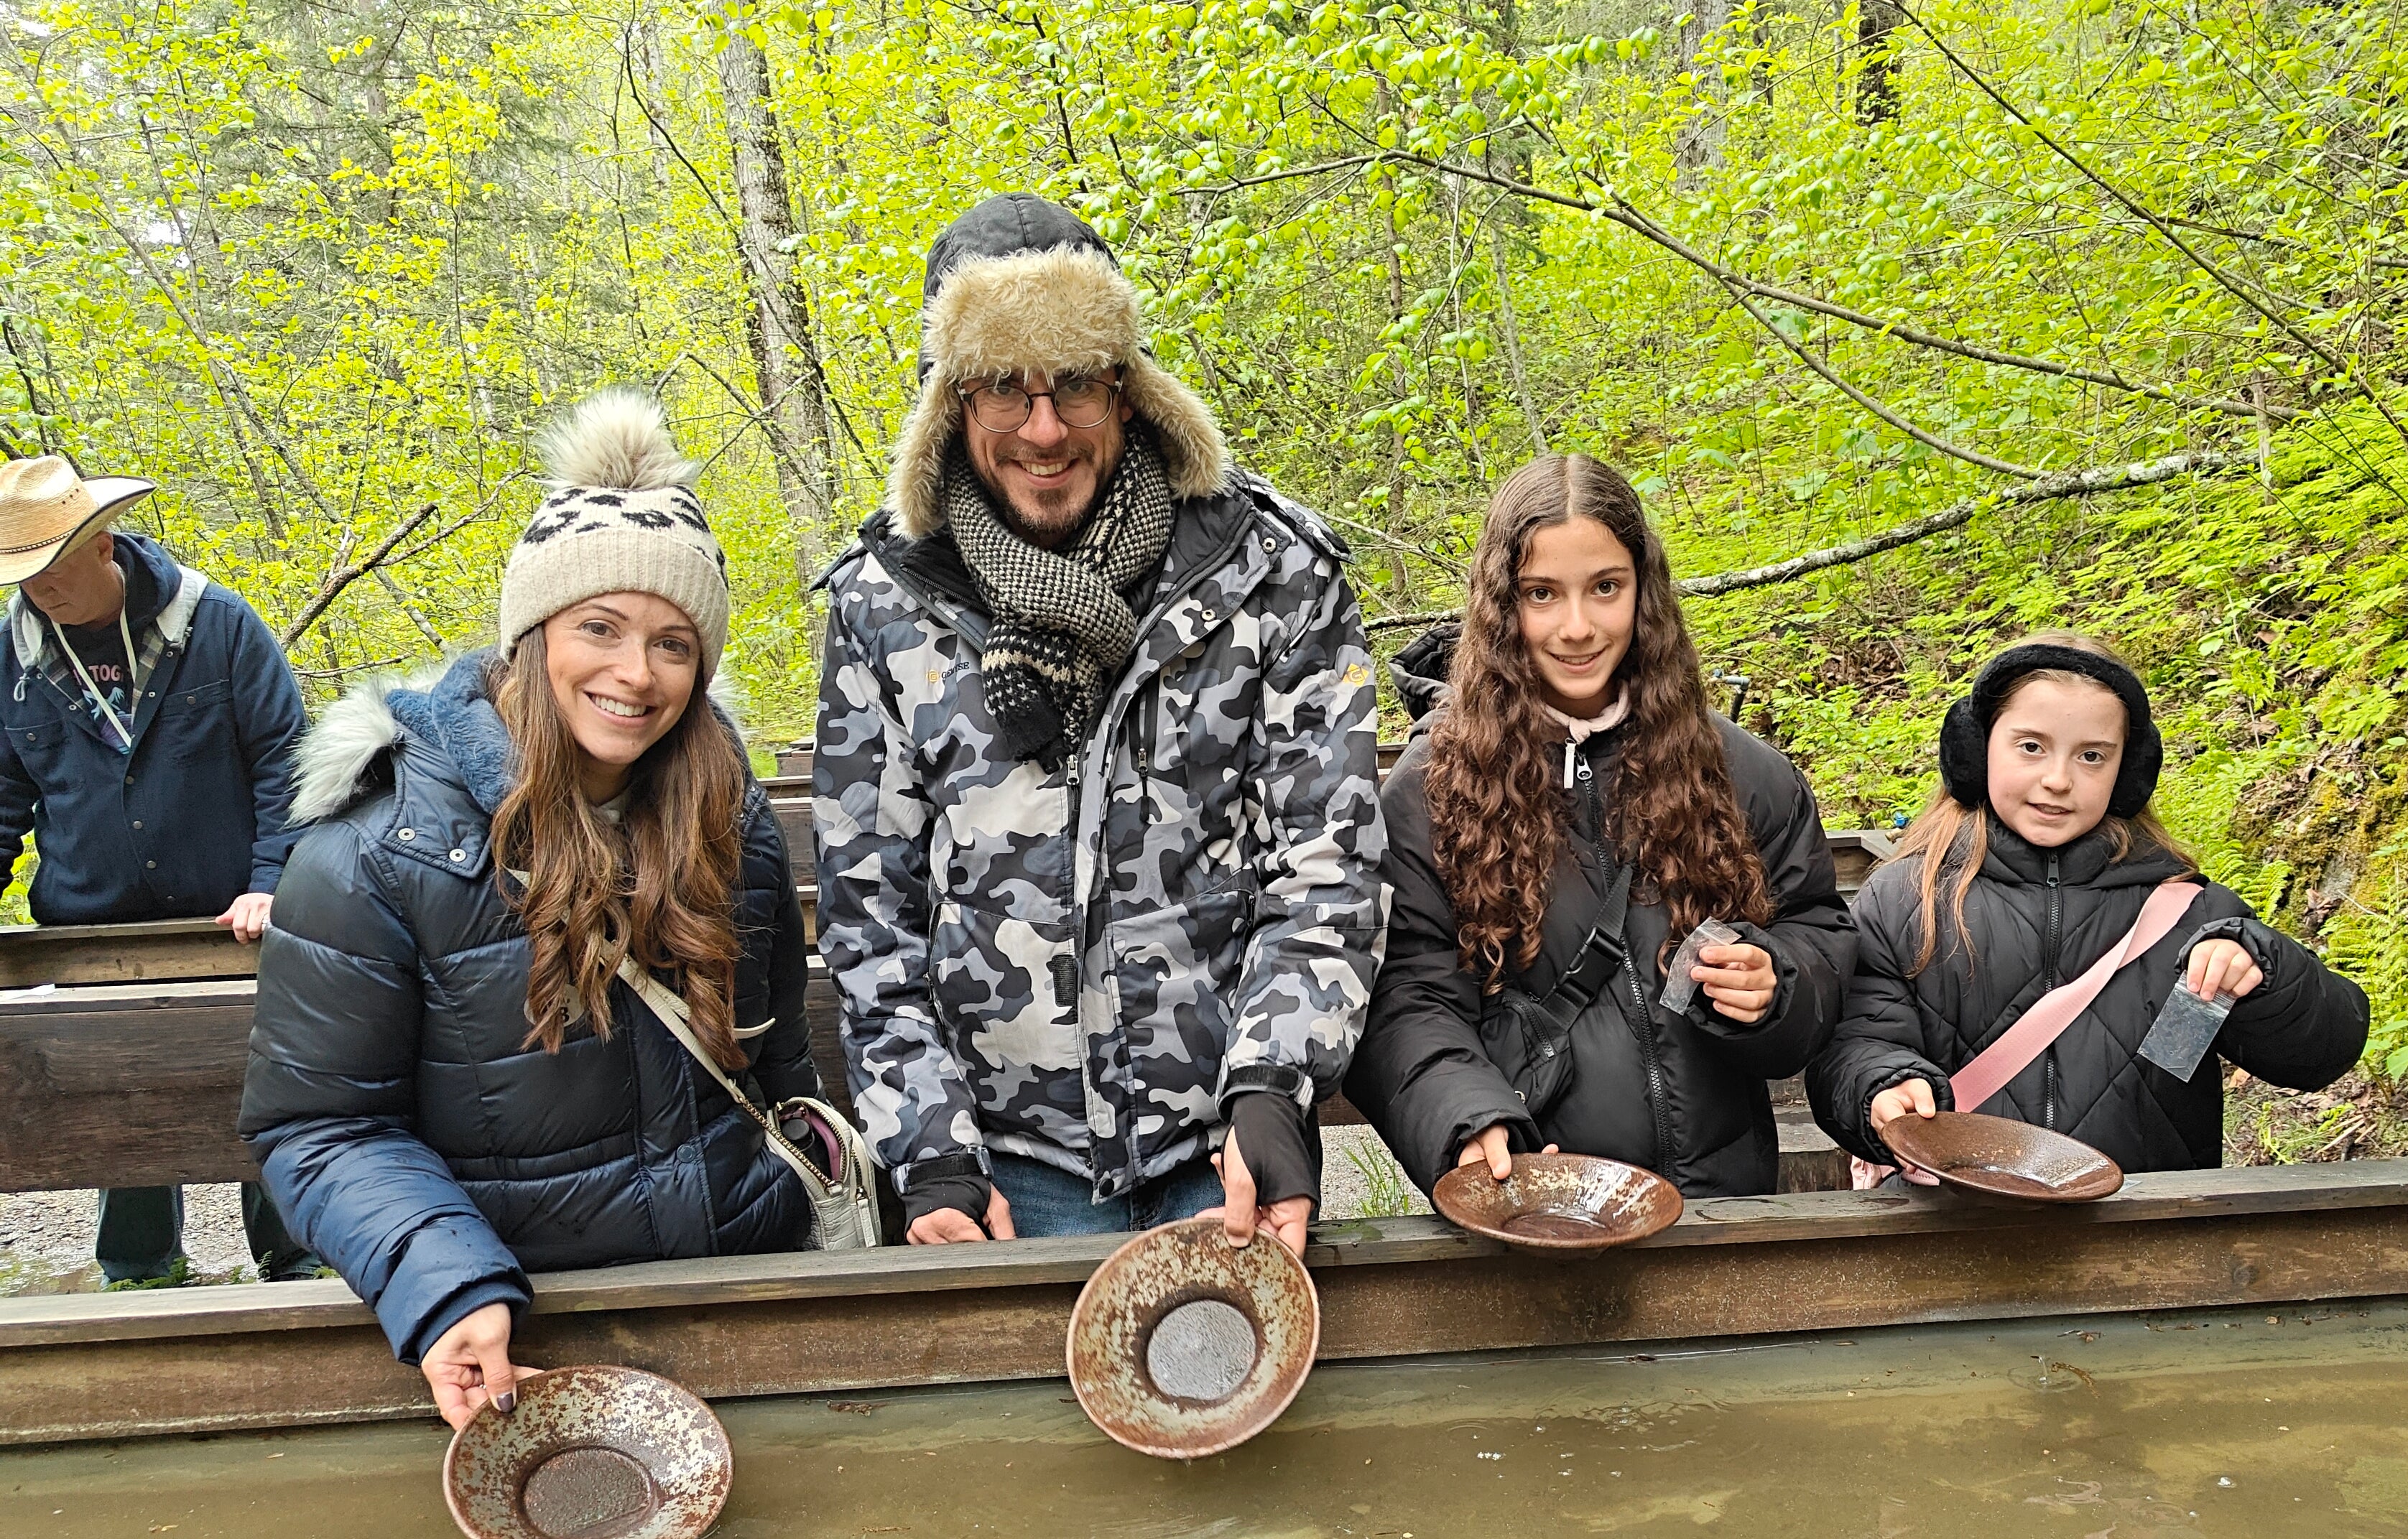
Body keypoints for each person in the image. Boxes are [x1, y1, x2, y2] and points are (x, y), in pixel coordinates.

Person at [815, 193, 1384, 1258]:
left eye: (1075, 381)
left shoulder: (1272, 575)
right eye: (1003, 389)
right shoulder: (883, 605)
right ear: (952, 405)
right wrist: (930, 1146)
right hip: (998, 1168)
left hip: (1227, 1149)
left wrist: (1274, 1087)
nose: (1044, 429)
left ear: (1128, 391)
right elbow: (869, 919)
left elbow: (1327, 865)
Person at [241, 392, 818, 1427]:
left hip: (747, 1308)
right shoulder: (375, 851)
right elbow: (321, 1125)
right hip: (524, 1335)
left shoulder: (733, 821)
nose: (635, 675)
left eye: (674, 643)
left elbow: (774, 1071)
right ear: (532, 632)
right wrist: (445, 1282)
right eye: (600, 628)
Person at [1347, 453, 1856, 1198]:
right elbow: (1406, 999)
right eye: (1541, 595)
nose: (1577, 627)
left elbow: (1819, 930)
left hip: (1724, 1215)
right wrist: (1467, 1122)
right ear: (1499, 604)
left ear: (1643, 592)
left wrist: (1775, 982)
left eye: (1605, 588)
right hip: (1539, 1203)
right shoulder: (1431, 791)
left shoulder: (1741, 773)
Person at [1807, 634, 2368, 1177]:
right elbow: (1857, 1041)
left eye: (2092, 756)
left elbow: (2322, 1053)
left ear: (2129, 773)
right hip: (1959, 1230)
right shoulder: (1906, 901)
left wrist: (2263, 973)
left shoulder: (2187, 915)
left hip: (2144, 1240)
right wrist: (1882, 1085)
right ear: (1976, 750)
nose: (2058, 780)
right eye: (2031, 747)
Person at [0, 455, 318, 1285]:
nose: (40, 591)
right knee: (118, 1099)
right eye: (24, 577)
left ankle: (295, 1260)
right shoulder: (14, 654)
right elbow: (0, 795)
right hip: (89, 929)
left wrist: (272, 881)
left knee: (264, 1089)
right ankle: (138, 1271)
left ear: (103, 545)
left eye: (51, 570)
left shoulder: (217, 624)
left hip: (233, 923)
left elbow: (290, 763)